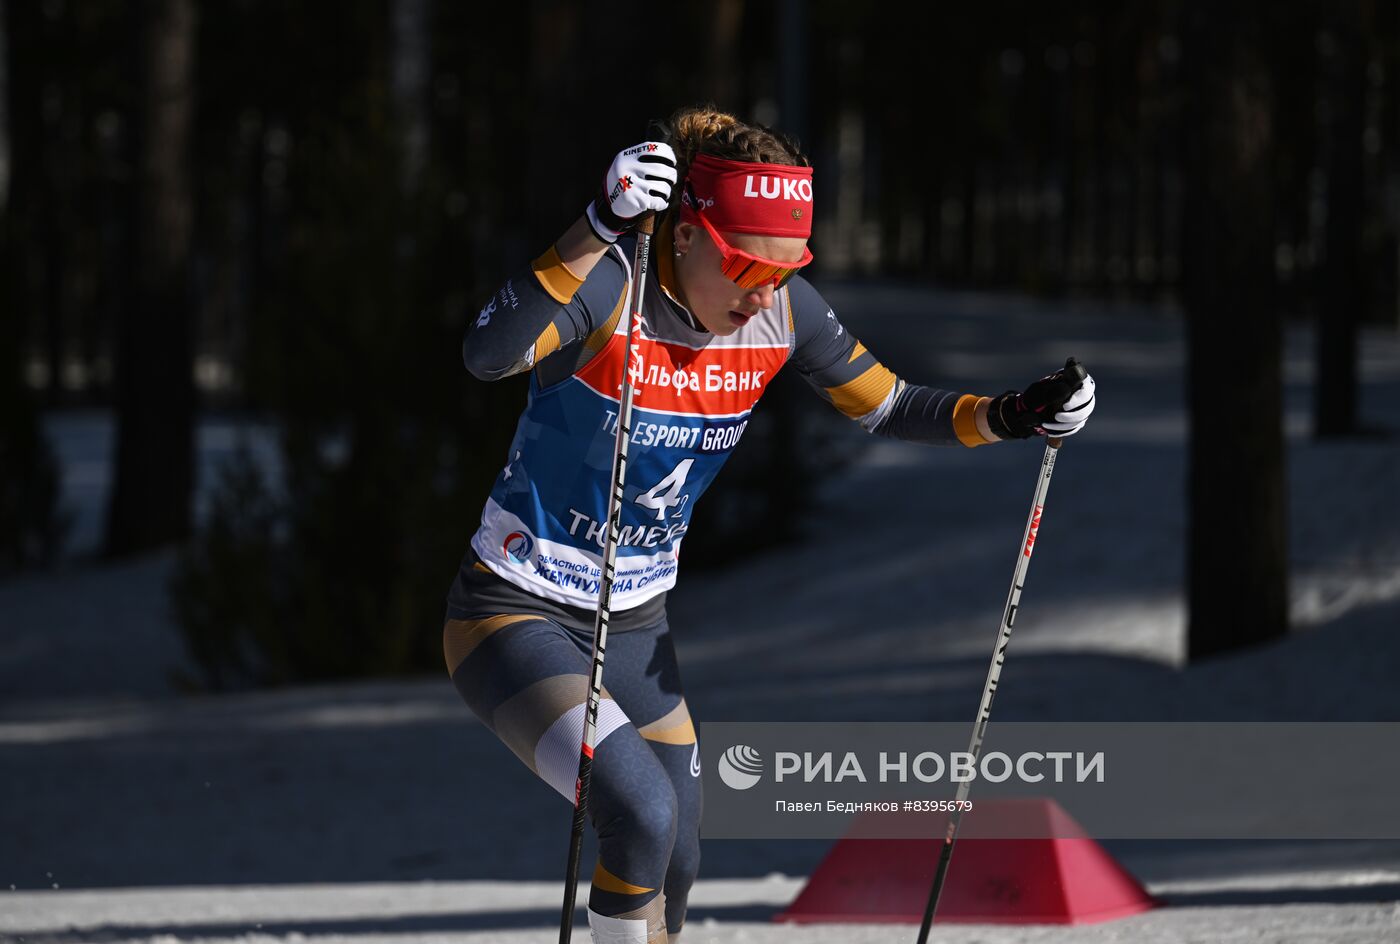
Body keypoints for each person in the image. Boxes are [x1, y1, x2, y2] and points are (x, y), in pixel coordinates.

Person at [443, 105, 1095, 944]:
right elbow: (486, 354)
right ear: (685, 233)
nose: (762, 295)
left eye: (785, 273)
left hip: (637, 625)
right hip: (512, 612)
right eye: (747, 266)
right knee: (639, 815)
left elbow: (892, 404)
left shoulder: (784, 313)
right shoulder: (612, 284)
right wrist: (598, 224)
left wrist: (1014, 413)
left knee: (676, 848)